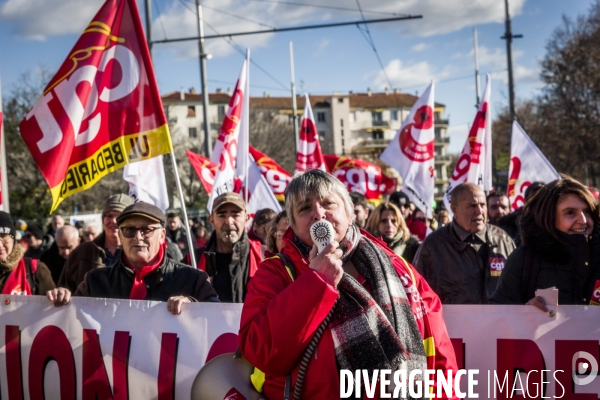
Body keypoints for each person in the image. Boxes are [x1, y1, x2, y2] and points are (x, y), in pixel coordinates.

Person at [239, 170, 457, 399]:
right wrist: (317, 282)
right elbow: (260, 350)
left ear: (349, 213)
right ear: (293, 224)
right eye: (305, 208)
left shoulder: (397, 267)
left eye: (328, 203)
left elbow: (438, 352)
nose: (319, 214)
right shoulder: (276, 272)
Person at [47, 202, 218, 314]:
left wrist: (194, 306)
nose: (138, 237)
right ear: (120, 237)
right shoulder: (95, 282)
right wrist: (63, 299)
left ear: (162, 235)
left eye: (146, 230)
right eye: (129, 230)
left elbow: (220, 318)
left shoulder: (192, 279)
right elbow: (70, 322)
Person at [491, 176, 600, 305]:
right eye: (570, 213)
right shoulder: (524, 259)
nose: (583, 221)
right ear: (548, 217)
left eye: (587, 212)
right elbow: (499, 314)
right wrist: (524, 312)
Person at [413, 182, 516, 304]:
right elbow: (416, 294)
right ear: (454, 210)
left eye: (483, 205)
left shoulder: (503, 240)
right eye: (472, 205)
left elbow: (520, 288)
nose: (479, 211)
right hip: (452, 323)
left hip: (500, 322)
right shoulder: (433, 247)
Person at [194, 192, 263, 303]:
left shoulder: (264, 256)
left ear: (246, 218)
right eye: (221, 215)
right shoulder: (193, 260)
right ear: (211, 220)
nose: (229, 221)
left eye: (235, 215)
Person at [58, 194, 134, 292]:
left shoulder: (139, 253)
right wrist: (61, 293)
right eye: (109, 215)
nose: (113, 221)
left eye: (119, 216)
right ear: (103, 219)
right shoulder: (82, 252)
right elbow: (64, 288)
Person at [0, 211, 54, 295]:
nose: (0, 245)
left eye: (4, 238)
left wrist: (59, 294)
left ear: (14, 240)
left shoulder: (35, 269)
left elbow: (54, 306)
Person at [499, 181, 546, 247]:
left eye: (542, 201)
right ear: (526, 203)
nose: (538, 206)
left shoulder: (556, 227)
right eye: (534, 201)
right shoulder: (508, 228)